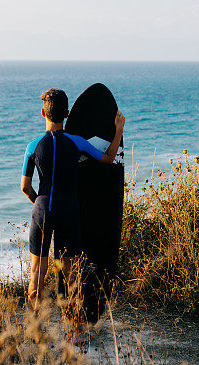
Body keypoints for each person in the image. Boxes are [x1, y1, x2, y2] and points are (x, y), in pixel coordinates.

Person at [20, 88, 125, 314]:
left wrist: (40, 204)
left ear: (42, 112)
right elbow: (108, 159)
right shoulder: (77, 142)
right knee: (71, 274)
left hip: (42, 209)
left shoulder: (33, 146)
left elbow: (25, 187)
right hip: (68, 209)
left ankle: (34, 331)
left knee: (37, 272)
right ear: (67, 114)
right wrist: (118, 131)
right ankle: (77, 331)